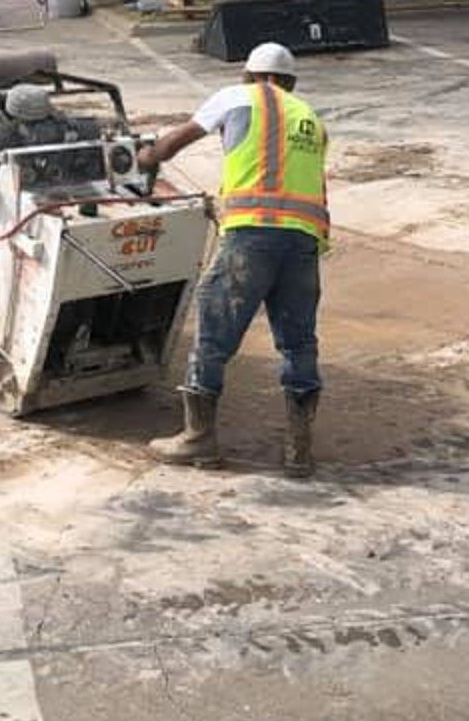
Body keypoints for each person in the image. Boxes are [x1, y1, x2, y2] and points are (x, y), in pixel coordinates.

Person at [135, 42, 330, 477]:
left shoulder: (236, 96)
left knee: (213, 334)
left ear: (251, 75)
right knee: (298, 342)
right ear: (291, 82)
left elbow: (172, 145)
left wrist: (143, 158)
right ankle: (299, 451)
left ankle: (198, 438)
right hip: (302, 243)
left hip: (251, 237)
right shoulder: (311, 118)